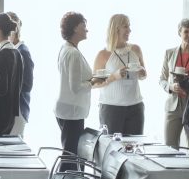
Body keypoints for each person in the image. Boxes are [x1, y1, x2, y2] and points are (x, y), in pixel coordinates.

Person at [54, 12, 102, 168]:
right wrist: (93, 82)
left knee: (70, 153)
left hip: (65, 108)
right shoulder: (73, 53)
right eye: (84, 26)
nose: (87, 30)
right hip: (72, 112)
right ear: (75, 29)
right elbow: (75, 88)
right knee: (71, 156)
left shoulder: (65, 48)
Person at [93, 14, 147, 135]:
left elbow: (143, 75)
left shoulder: (136, 49)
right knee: (112, 149)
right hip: (111, 109)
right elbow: (94, 84)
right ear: (116, 29)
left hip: (136, 107)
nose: (129, 30)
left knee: (134, 148)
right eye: (126, 26)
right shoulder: (103, 54)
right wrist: (114, 76)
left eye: (129, 26)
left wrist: (141, 73)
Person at [159, 19, 189, 149]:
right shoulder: (169, 53)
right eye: (186, 31)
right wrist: (171, 87)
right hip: (173, 107)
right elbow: (162, 79)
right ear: (179, 33)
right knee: (169, 147)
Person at [7, 11, 34, 138]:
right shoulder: (12, 50)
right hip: (12, 108)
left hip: (18, 109)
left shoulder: (22, 52)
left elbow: (27, 84)